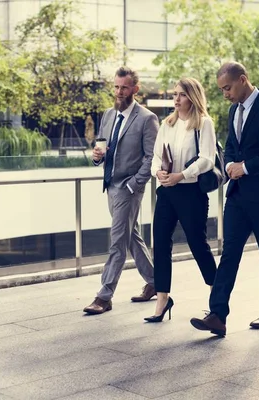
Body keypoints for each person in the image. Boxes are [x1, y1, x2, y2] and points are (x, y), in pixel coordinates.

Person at [190, 62, 259, 336]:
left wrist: (246, 166)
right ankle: (217, 315)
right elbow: (233, 146)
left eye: (227, 88)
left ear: (243, 80)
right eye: (222, 89)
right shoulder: (233, 109)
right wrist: (230, 164)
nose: (225, 94)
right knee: (229, 253)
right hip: (237, 195)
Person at [83, 66, 158, 314]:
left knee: (117, 242)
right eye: (116, 86)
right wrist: (96, 156)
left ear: (135, 89)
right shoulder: (107, 115)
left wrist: (134, 184)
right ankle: (155, 282)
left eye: (124, 87)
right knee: (131, 236)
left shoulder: (147, 119)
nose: (119, 91)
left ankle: (104, 296)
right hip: (110, 186)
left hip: (128, 188)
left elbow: (151, 158)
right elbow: (102, 147)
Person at [144, 78, 218, 323]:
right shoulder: (168, 123)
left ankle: (216, 296)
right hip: (167, 192)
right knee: (161, 244)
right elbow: (156, 156)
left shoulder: (203, 124)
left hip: (191, 192)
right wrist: (159, 172)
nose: (176, 99)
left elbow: (207, 159)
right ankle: (163, 299)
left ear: (193, 97)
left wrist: (182, 175)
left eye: (182, 95)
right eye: (174, 94)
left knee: (198, 244)